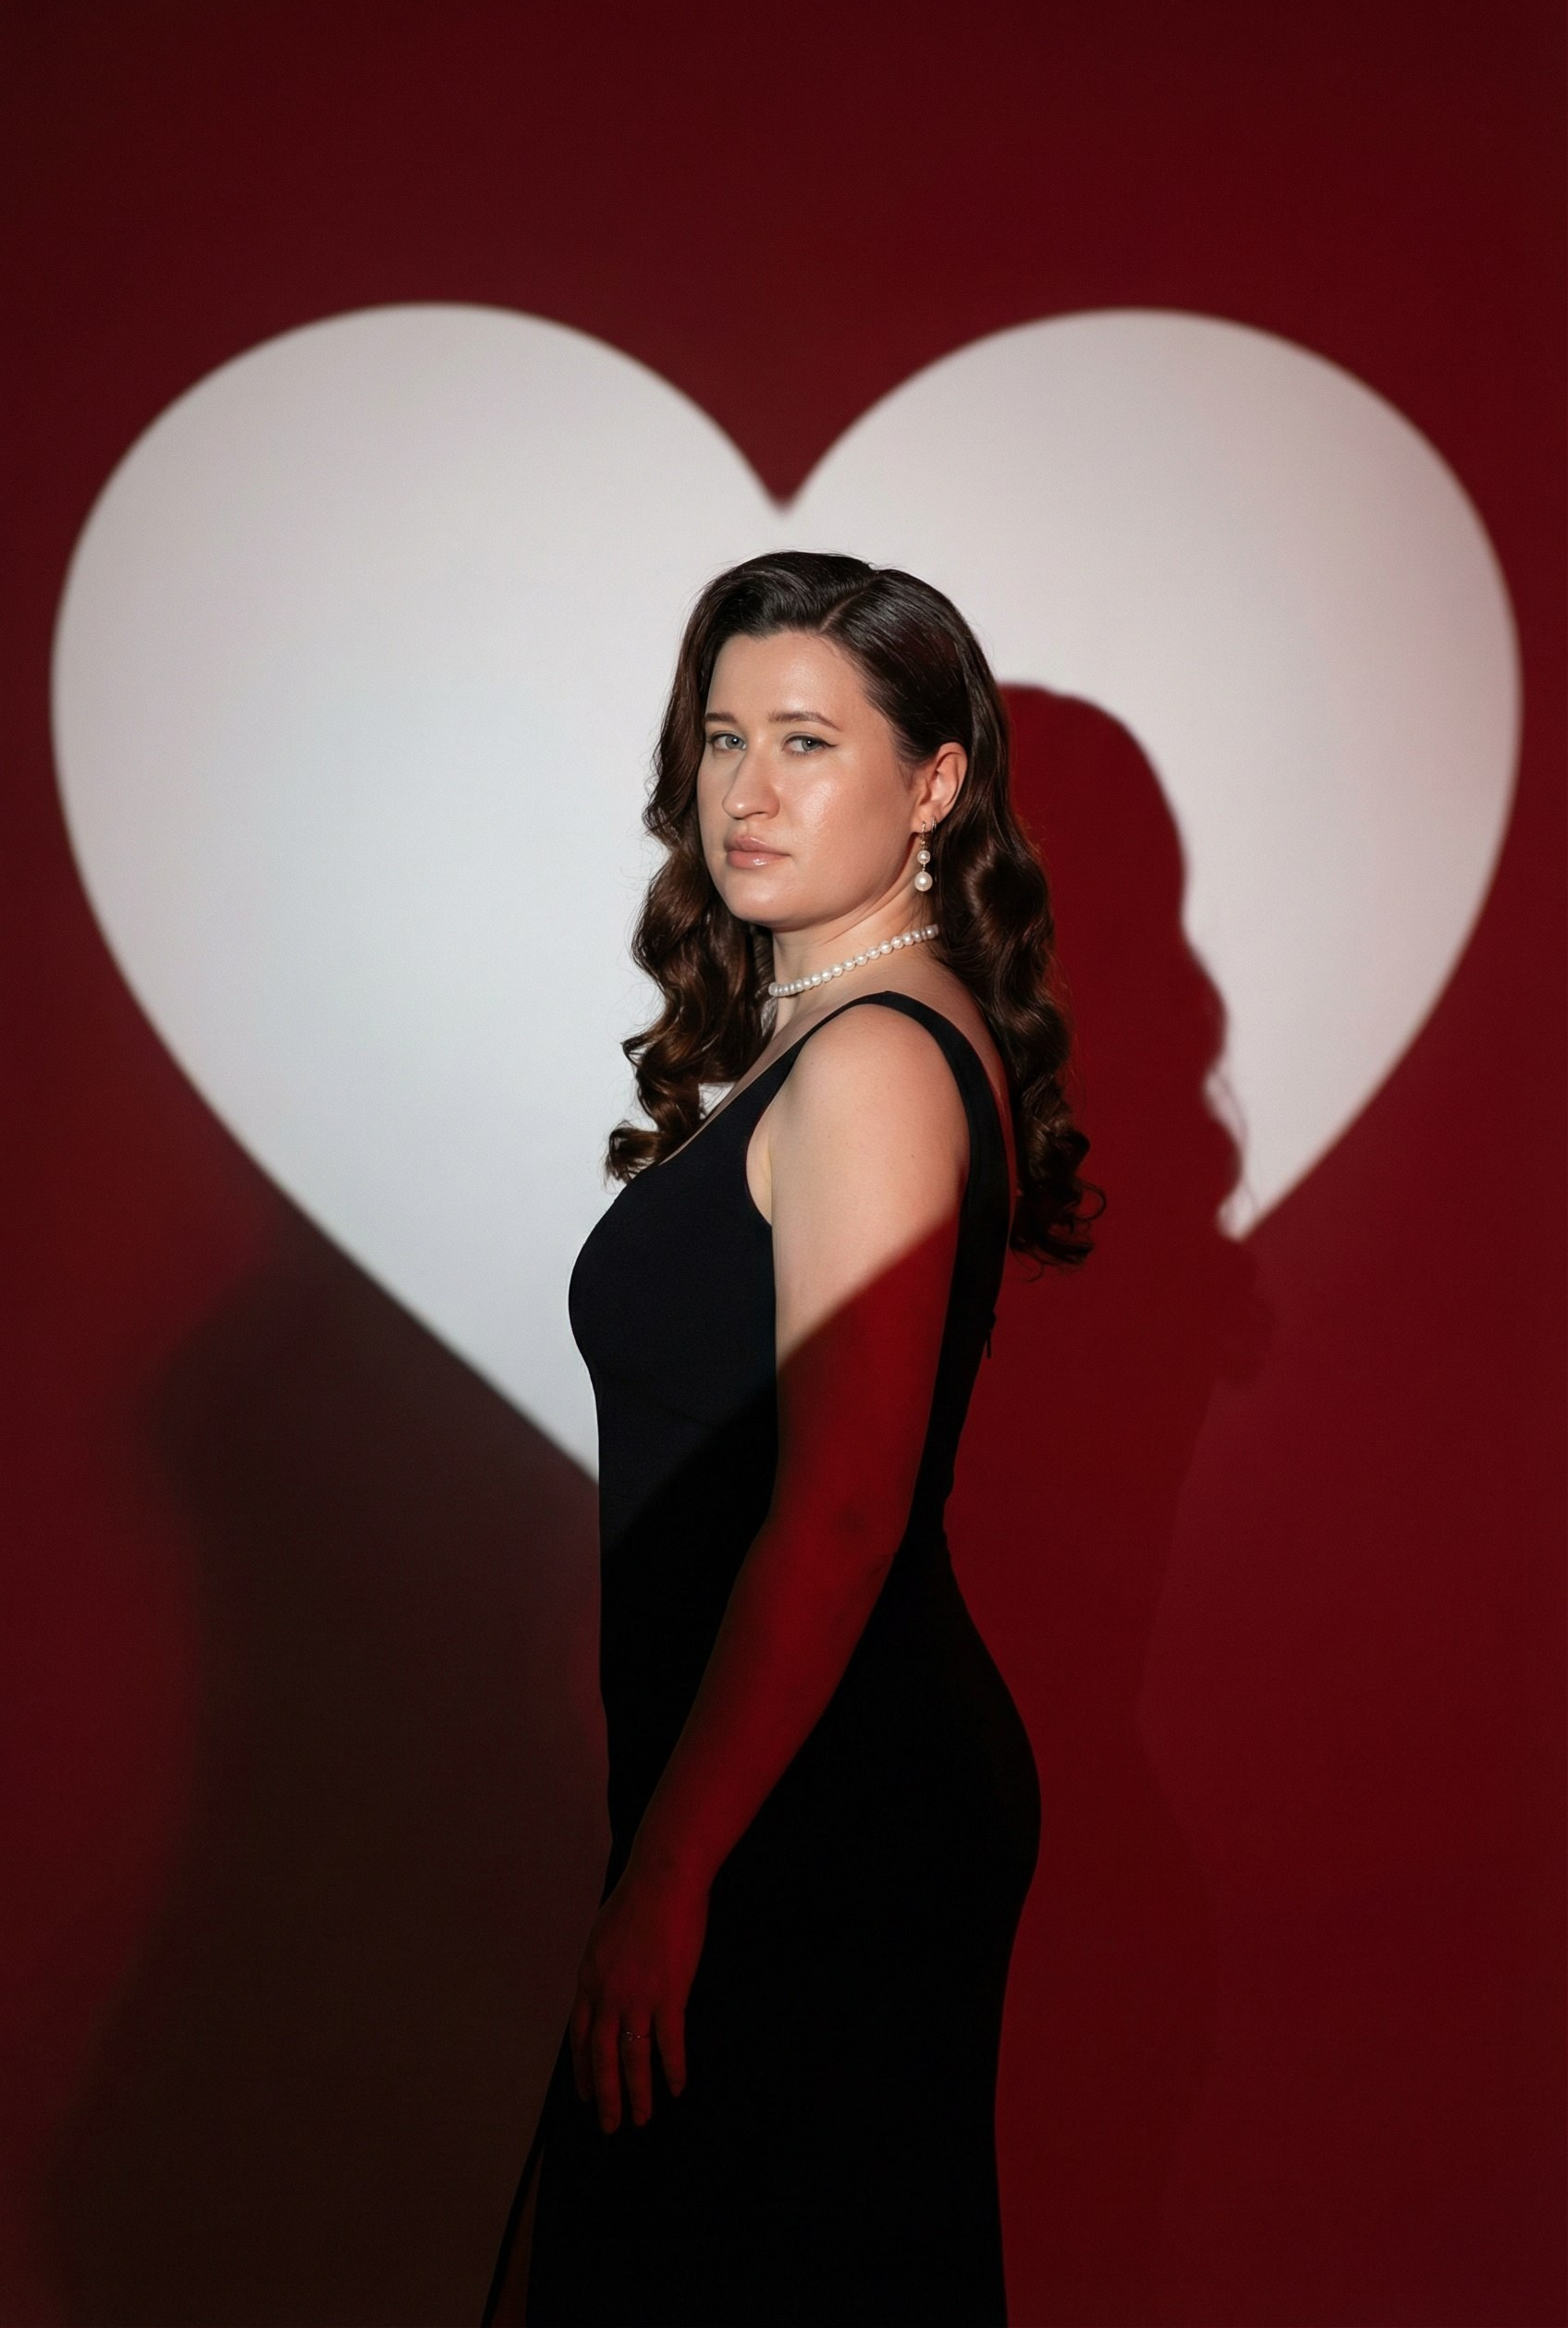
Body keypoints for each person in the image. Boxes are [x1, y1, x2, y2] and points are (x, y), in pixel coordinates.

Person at [481, 550, 1099, 2326]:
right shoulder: (824, 1041)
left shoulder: (874, 1065)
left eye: (808, 742)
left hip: (824, 1811)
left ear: (935, 784)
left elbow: (840, 1513)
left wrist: (671, 1871)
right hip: (778, 1783)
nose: (746, 791)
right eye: (724, 737)